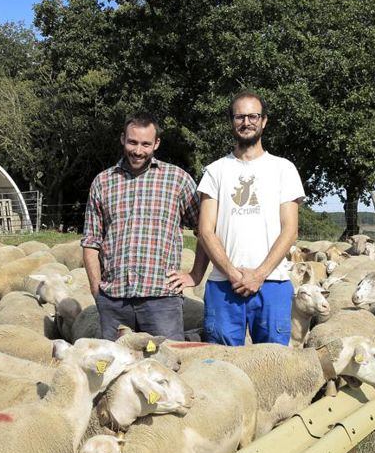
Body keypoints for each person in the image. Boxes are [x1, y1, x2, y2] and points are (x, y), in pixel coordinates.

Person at [82, 112, 209, 341]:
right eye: (132, 142)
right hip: (114, 300)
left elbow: (206, 230)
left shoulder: (177, 180)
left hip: (162, 300)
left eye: (145, 144)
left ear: (156, 144)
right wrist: (96, 289)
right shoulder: (102, 182)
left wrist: (195, 275)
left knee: (165, 369)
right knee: (114, 370)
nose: (138, 150)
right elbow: (91, 241)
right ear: (123, 139)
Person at [195, 91, 305, 345]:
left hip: (272, 283)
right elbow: (205, 230)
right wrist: (233, 274)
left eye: (253, 116)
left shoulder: (283, 169)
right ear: (232, 122)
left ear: (264, 121)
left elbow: (290, 231)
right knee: (221, 364)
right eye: (240, 117)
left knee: (274, 364)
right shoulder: (215, 171)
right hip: (224, 284)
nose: (247, 122)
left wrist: (259, 274)